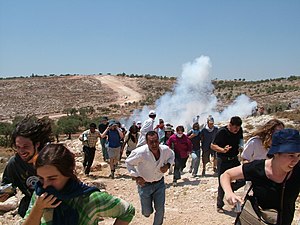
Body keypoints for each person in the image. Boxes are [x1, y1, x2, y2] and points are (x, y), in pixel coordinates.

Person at [23, 143, 135, 225]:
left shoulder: (88, 199)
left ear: (67, 173)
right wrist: (38, 209)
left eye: (52, 178)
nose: (45, 185)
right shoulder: (41, 195)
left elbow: (127, 211)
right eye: (41, 178)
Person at [221, 129, 300, 225]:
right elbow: (226, 175)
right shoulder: (258, 168)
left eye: (298, 155)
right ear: (276, 153)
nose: (295, 160)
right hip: (256, 220)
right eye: (291, 155)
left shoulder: (297, 170)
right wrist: (229, 193)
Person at [0, 116, 52, 217]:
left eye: (25, 147)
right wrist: (4, 194)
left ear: (37, 144)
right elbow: (8, 186)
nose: (21, 151)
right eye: (18, 147)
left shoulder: (51, 159)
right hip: (30, 206)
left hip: (55, 205)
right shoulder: (14, 164)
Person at [125, 131, 174, 225]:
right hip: (145, 185)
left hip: (159, 183)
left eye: (156, 141)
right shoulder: (140, 152)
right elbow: (128, 163)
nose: (154, 144)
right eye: (151, 142)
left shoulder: (165, 150)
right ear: (147, 142)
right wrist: (136, 177)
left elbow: (172, 155)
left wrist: (168, 165)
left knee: (160, 209)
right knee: (147, 212)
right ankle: (147, 210)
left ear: (159, 140)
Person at [211, 116, 245, 212]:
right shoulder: (222, 132)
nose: (236, 130)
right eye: (235, 128)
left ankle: (229, 190)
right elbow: (212, 145)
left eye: (238, 128)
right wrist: (223, 150)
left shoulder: (239, 130)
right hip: (223, 160)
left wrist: (241, 147)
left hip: (234, 159)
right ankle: (219, 205)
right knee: (222, 182)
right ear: (230, 125)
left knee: (243, 179)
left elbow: (241, 140)